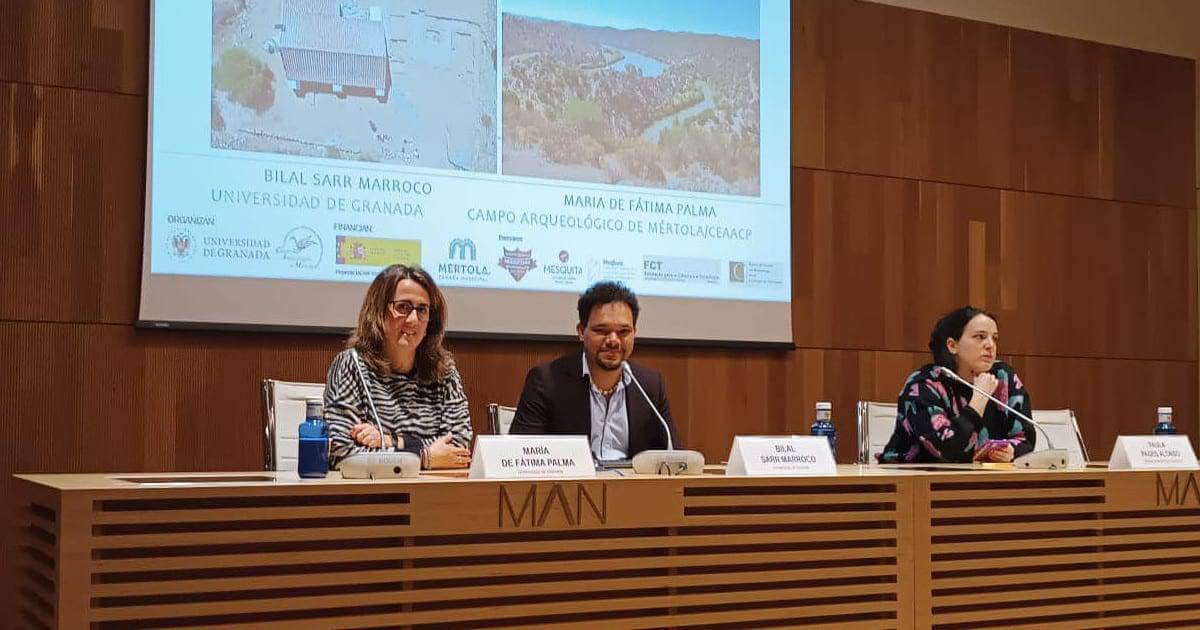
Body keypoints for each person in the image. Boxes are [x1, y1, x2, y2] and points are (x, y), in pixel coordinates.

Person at [324, 264, 472, 470]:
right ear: (378, 311)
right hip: (372, 495)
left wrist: (392, 441)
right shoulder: (352, 365)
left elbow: (457, 449)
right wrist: (425, 456)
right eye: (402, 307)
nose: (413, 319)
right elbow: (341, 452)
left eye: (422, 310)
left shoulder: (444, 371)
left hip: (432, 494)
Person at [509, 281, 679, 460]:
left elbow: (673, 457)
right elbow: (521, 456)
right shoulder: (546, 381)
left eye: (623, 332)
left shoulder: (650, 385)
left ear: (634, 333)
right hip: (572, 486)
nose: (613, 340)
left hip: (631, 487)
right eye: (602, 330)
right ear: (581, 331)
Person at [877, 306, 1035, 464]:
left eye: (994, 338)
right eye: (980, 337)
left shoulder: (1003, 377)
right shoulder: (923, 384)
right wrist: (978, 399)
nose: (990, 345)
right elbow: (949, 450)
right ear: (952, 345)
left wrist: (1010, 451)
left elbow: (1026, 438)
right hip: (915, 479)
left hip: (980, 479)